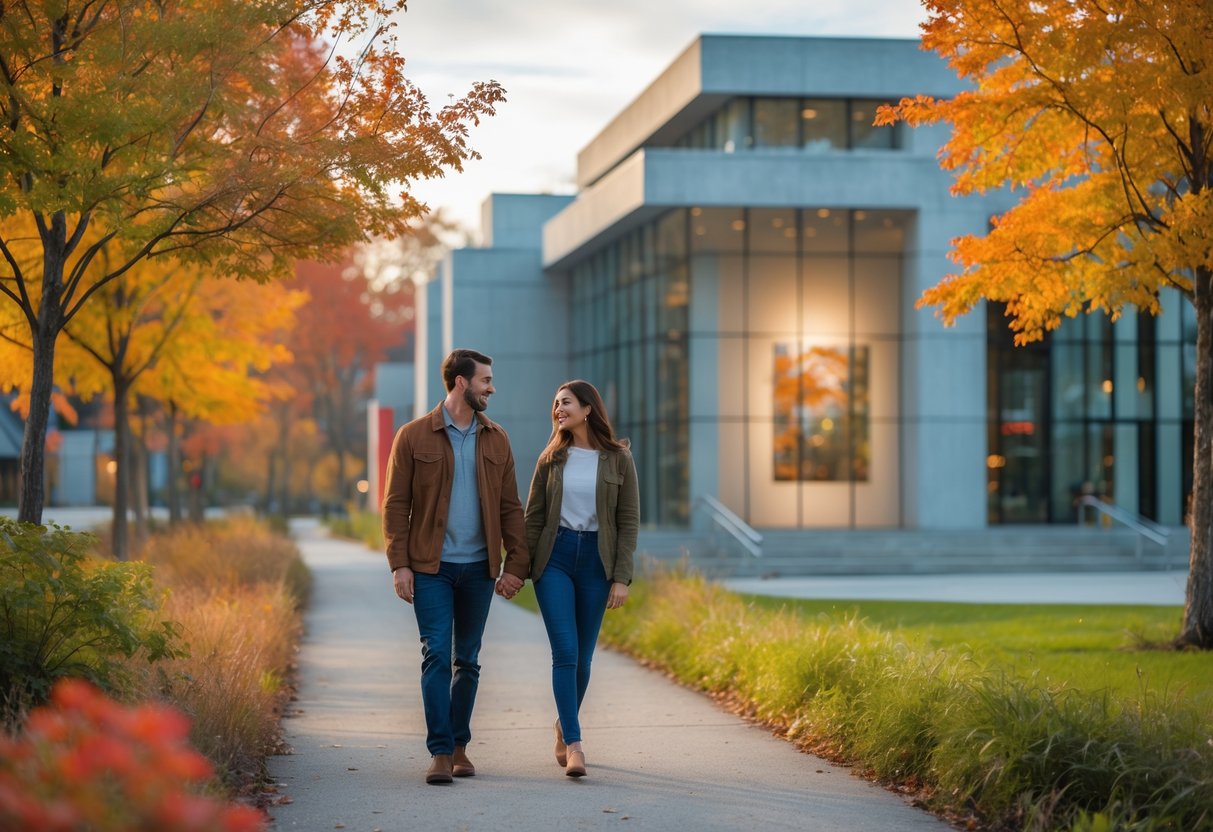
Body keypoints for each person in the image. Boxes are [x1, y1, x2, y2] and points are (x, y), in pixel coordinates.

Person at [382, 348, 529, 785]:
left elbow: (510, 508)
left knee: (468, 660)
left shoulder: (496, 438)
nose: (492, 387)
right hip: (430, 568)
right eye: (485, 380)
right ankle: (441, 752)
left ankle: (461, 746)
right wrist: (400, 564)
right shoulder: (412, 436)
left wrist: (516, 565)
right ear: (461, 382)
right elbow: (395, 506)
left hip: (479, 569)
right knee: (436, 657)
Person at [524, 380, 639, 778]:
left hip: (597, 561)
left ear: (588, 408)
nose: (558, 409)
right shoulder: (551, 458)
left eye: (566, 402)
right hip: (554, 559)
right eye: (555, 404)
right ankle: (575, 744)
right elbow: (533, 518)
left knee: (584, 659)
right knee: (566, 653)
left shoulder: (618, 459)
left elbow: (628, 521)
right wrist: (516, 569)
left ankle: (562, 723)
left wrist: (621, 577)